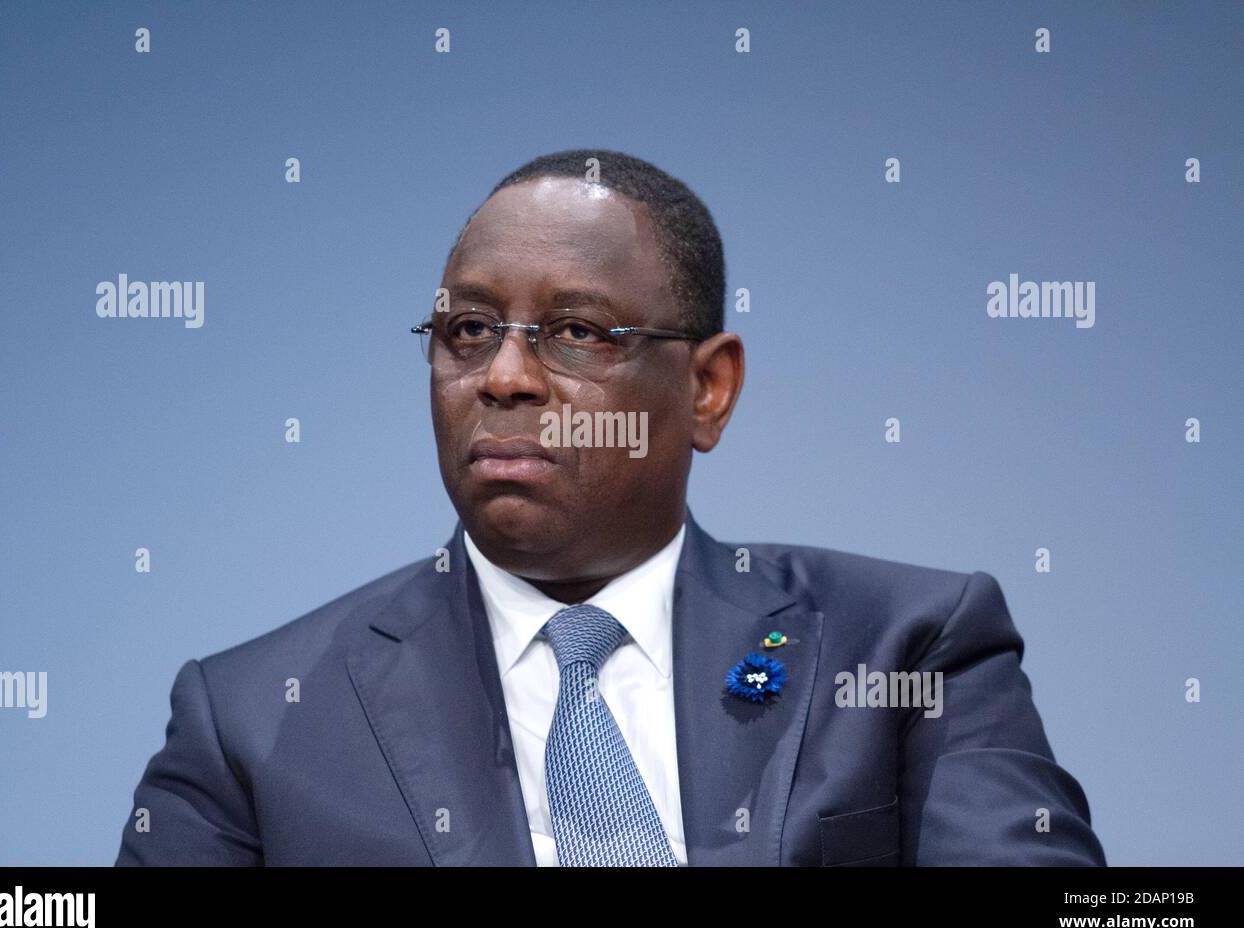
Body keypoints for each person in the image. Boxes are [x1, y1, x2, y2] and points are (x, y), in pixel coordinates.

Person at [116, 149, 1104, 866]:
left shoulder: (902, 647)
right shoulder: (251, 719)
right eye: (466, 328)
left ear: (707, 389)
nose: (501, 374)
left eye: (576, 332)